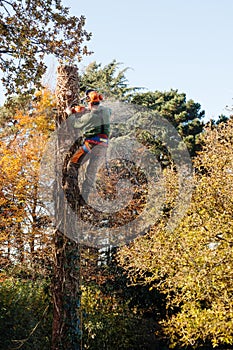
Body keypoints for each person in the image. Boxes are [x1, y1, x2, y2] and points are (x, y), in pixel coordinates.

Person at [66, 89, 111, 204]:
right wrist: (86, 109)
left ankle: (70, 190)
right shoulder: (106, 111)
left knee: (73, 163)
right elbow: (107, 110)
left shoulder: (90, 117)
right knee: (91, 171)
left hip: (91, 144)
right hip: (103, 146)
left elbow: (75, 124)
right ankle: (84, 198)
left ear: (89, 101)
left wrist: (70, 114)